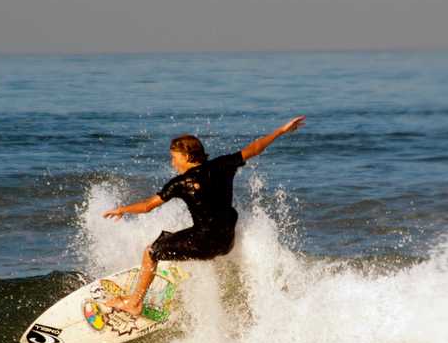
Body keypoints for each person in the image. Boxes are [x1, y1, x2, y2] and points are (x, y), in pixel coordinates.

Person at [102, 116, 306, 315]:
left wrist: (122, 209)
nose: (173, 163)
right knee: (172, 240)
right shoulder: (223, 165)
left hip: (204, 243)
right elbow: (255, 148)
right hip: (226, 243)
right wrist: (281, 130)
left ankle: (134, 302)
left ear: (187, 156)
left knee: (151, 251)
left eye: (174, 157)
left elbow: (147, 206)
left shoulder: (180, 183)